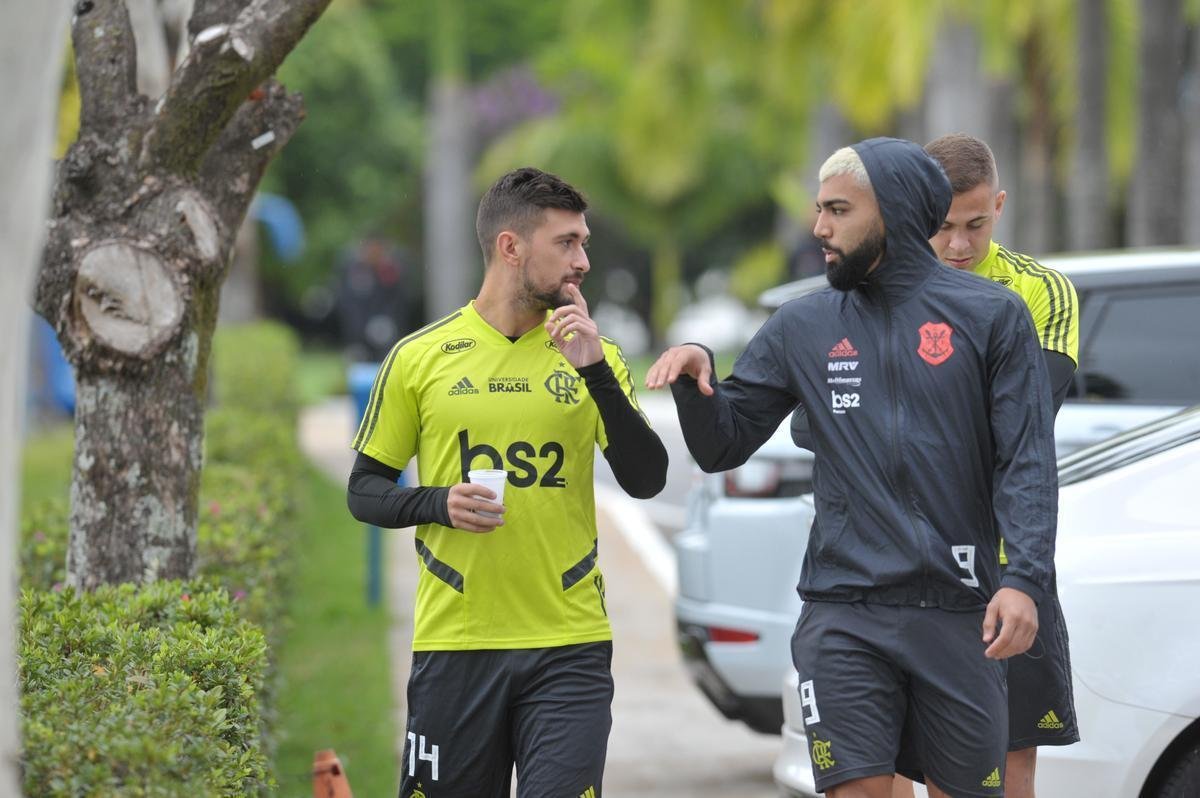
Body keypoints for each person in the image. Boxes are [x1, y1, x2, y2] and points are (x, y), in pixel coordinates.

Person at [646, 137, 1058, 798]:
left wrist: (1024, 579)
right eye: (820, 209)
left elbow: (1027, 461)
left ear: (891, 210)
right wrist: (699, 386)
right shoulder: (801, 324)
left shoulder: (993, 317)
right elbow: (724, 445)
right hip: (844, 612)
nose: (820, 228)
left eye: (838, 210)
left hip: (961, 614)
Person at [347, 167, 667, 798]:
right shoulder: (419, 357)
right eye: (567, 243)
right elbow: (364, 491)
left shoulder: (594, 356)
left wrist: (596, 373)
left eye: (584, 242)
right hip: (456, 644)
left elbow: (648, 478)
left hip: (569, 644)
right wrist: (438, 502)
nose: (584, 260)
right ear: (511, 247)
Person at [900, 132, 1079, 798]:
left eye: (975, 224)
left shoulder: (1043, 291)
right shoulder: (884, 293)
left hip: (1008, 561)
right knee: (901, 764)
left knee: (1010, 764)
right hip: (908, 564)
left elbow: (1024, 424)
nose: (958, 245)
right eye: (943, 227)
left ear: (999, 205)